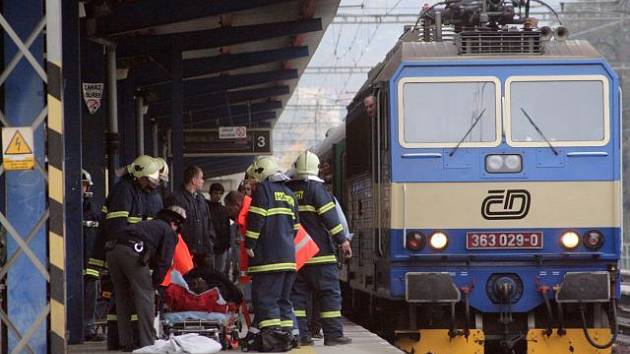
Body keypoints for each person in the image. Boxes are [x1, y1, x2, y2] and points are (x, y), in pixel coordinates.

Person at [288, 150, 352, 346]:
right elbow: (330, 219)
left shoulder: (289, 189)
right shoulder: (317, 190)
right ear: (316, 169)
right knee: (329, 293)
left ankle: (303, 336)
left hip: (298, 255)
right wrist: (343, 241)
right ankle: (333, 334)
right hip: (320, 255)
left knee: (298, 298)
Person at [106, 205, 186, 351]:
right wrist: (154, 285)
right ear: (175, 223)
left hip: (113, 250)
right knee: (146, 295)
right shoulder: (169, 231)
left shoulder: (148, 225)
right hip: (131, 251)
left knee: (122, 296)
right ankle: (147, 342)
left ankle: (126, 341)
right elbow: (164, 262)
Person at [245, 157, 300, 352]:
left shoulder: (264, 191)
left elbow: (256, 220)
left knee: (266, 299)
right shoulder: (289, 193)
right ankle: (291, 337)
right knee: (284, 300)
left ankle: (273, 340)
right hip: (288, 258)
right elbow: (296, 228)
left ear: (261, 173)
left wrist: (249, 244)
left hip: (268, 259)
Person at [167, 165, 215, 270]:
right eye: (201, 178)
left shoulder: (201, 200)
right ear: (194, 180)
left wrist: (209, 245)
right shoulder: (176, 198)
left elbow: (209, 224)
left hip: (203, 254)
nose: (203, 181)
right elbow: (172, 227)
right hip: (185, 253)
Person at [81, 169, 104, 341]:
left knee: (90, 294)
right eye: (83, 185)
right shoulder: (60, 207)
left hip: (90, 260)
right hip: (72, 261)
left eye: (86, 185)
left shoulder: (92, 209)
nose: (85, 188)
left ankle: (88, 328)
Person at [208, 183, 231, 273]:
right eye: (215, 193)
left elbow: (227, 227)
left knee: (219, 272)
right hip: (210, 246)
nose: (218, 196)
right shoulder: (206, 207)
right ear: (211, 193)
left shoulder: (224, 209)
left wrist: (227, 244)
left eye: (220, 193)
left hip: (222, 246)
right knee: (210, 271)